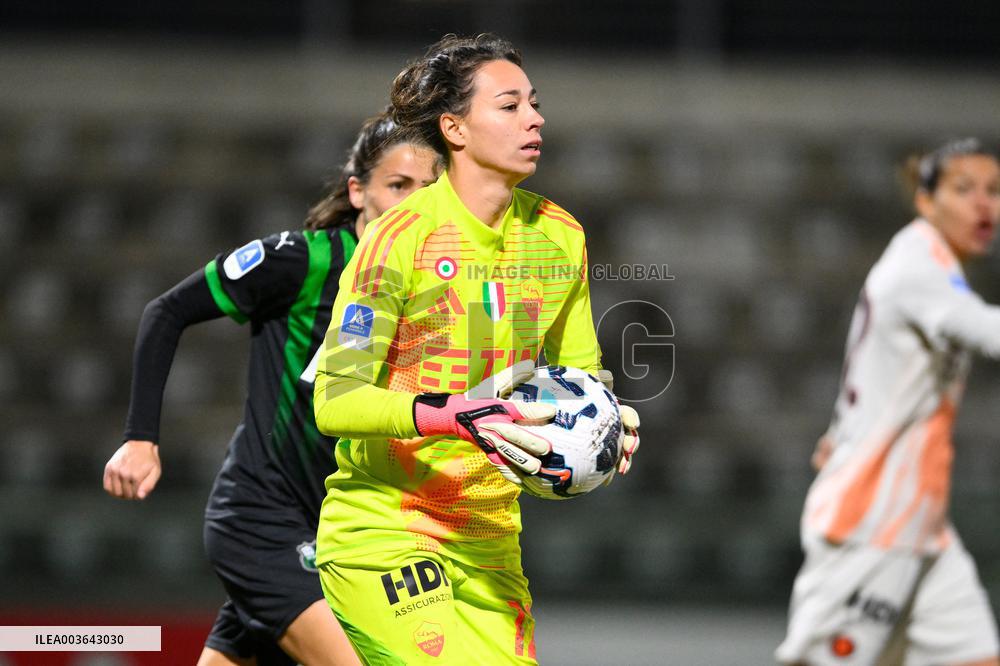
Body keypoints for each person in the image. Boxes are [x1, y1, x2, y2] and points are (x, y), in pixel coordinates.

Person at [312, 33, 640, 664]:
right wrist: (452, 413)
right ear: (455, 128)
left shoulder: (559, 235)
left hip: (491, 537)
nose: (536, 118)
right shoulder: (398, 240)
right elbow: (335, 398)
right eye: (510, 105)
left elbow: (582, 372)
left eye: (535, 104)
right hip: (387, 532)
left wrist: (609, 418)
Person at [102, 112, 442, 666]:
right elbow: (166, 311)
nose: (412, 204)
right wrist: (140, 437)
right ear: (358, 192)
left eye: (427, 190)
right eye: (397, 186)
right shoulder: (305, 260)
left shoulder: (430, 292)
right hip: (262, 519)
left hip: (337, 534)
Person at [777, 138, 1000, 666]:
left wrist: (840, 434)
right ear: (926, 201)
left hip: (922, 524)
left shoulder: (935, 264)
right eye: (964, 190)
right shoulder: (919, 265)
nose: (983, 204)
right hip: (872, 523)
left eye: (993, 190)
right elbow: (989, 332)